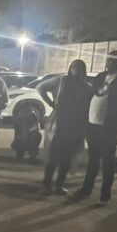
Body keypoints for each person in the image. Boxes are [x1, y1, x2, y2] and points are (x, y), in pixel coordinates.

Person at [73, 50, 117, 204]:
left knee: (108, 162)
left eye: (114, 60)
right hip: (93, 124)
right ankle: (87, 189)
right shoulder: (100, 77)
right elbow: (91, 96)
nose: (110, 62)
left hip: (109, 126)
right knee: (93, 160)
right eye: (109, 59)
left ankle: (105, 195)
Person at [38, 59, 93, 195]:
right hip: (59, 124)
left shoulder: (87, 87)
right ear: (70, 68)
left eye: (80, 67)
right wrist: (51, 103)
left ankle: (59, 185)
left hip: (76, 126)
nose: (77, 69)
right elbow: (40, 88)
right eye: (74, 66)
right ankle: (46, 184)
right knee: (53, 155)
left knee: (67, 157)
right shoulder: (61, 81)